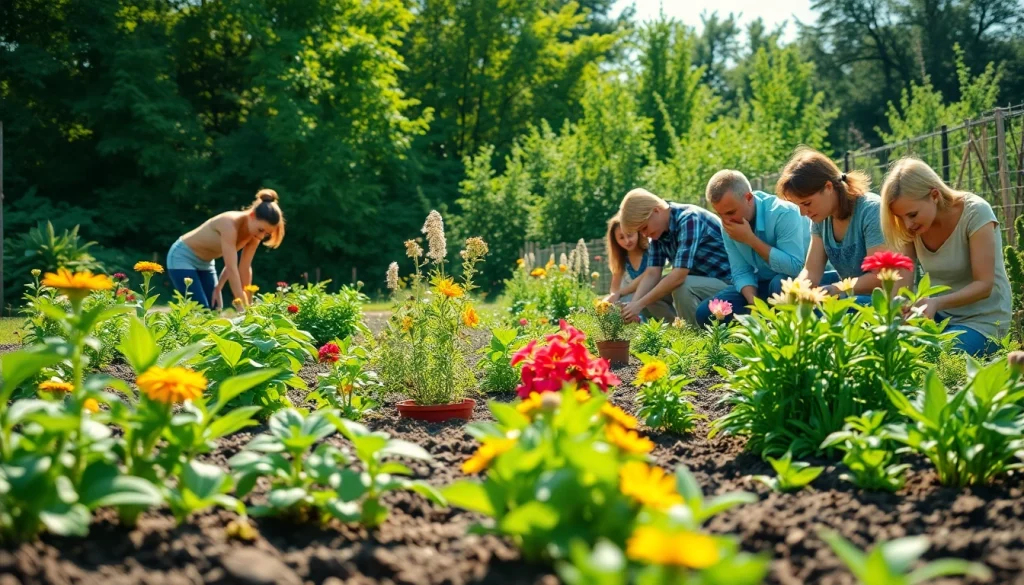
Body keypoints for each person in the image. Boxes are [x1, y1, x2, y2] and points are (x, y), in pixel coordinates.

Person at [880, 158, 1012, 356]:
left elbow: (984, 285)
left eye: (912, 215)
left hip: (984, 321)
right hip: (938, 317)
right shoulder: (913, 228)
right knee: (894, 352)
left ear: (934, 195)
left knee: (938, 357)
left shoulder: (976, 213)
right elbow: (902, 285)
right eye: (900, 218)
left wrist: (936, 303)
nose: (907, 225)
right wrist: (896, 314)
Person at [775, 147, 909, 299]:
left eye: (807, 203)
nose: (803, 213)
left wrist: (836, 289)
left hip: (881, 299)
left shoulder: (871, 211)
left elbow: (879, 277)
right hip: (849, 293)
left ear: (828, 187)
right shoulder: (820, 218)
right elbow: (811, 271)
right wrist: (794, 294)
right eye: (798, 206)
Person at [695, 170, 810, 326]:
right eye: (720, 214)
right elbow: (741, 271)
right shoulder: (728, 224)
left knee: (779, 283)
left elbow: (794, 267)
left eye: (730, 212)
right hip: (760, 286)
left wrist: (750, 240)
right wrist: (755, 306)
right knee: (705, 313)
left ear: (749, 198)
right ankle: (752, 331)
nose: (726, 220)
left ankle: (781, 332)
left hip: (798, 283)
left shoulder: (783, 213)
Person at [617, 188, 732, 326]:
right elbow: (652, 273)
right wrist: (634, 306)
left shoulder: (689, 219)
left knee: (682, 286)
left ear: (656, 210)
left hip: (728, 284)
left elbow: (679, 276)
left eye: (644, 227)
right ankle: (676, 332)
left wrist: (640, 304)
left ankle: (694, 336)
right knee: (652, 293)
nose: (644, 234)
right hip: (700, 283)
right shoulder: (658, 233)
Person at [167, 189, 286, 310]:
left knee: (215, 309)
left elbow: (244, 268)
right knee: (200, 309)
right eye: (261, 230)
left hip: (206, 264)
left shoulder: (254, 235)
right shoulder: (229, 223)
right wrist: (241, 306)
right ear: (252, 215)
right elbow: (231, 268)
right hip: (183, 256)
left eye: (266, 234)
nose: (261, 236)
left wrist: (248, 304)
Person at [603, 215, 676, 322]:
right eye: (621, 238)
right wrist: (611, 298)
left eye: (630, 235)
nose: (627, 241)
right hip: (633, 299)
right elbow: (614, 288)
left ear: (638, 232)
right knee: (616, 305)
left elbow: (647, 275)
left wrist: (620, 292)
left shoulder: (651, 250)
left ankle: (672, 323)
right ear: (615, 240)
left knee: (636, 298)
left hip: (652, 297)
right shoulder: (621, 259)